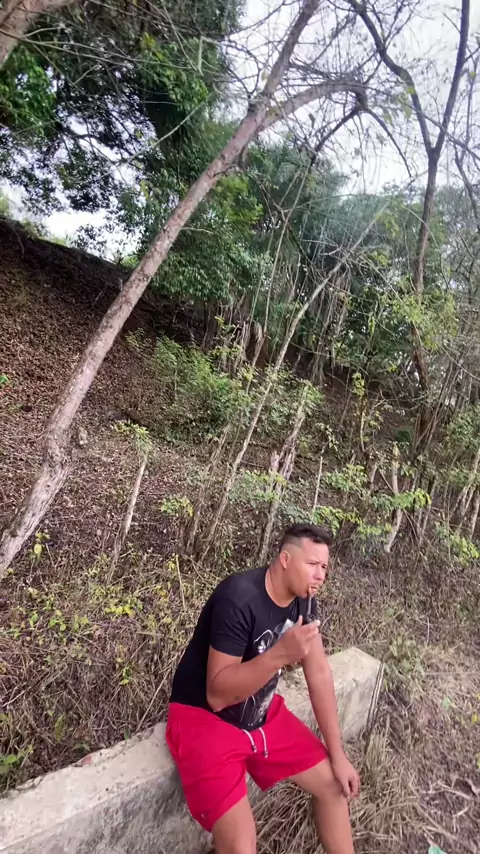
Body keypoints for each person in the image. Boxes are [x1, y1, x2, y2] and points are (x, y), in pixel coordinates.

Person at [166, 523, 360, 854]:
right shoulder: (239, 598)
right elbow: (217, 694)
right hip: (205, 721)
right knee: (242, 845)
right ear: (285, 559)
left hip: (260, 712)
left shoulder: (305, 602)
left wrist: (338, 755)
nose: (320, 576)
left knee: (333, 785)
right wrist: (280, 655)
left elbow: (319, 675)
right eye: (312, 564)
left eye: (325, 567)